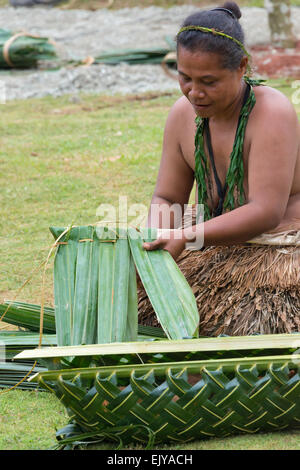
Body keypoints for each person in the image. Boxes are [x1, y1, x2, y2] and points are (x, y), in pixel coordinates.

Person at [138, 2, 300, 336]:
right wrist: (156, 237)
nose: (194, 92)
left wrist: (186, 235)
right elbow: (168, 197)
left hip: (279, 249)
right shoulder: (182, 114)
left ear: (242, 67)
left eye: (209, 81)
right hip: (210, 243)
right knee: (136, 307)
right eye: (185, 78)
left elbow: (266, 212)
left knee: (244, 329)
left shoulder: (273, 113)